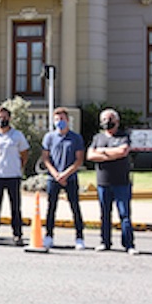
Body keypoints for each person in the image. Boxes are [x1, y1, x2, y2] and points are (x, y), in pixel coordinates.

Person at [86, 108, 138, 255]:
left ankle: (129, 244)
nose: (106, 122)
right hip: (103, 182)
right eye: (104, 119)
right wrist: (110, 154)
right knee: (104, 214)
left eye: (109, 119)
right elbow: (90, 155)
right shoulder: (98, 138)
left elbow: (123, 151)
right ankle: (105, 242)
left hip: (121, 182)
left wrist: (101, 152)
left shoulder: (123, 136)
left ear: (116, 121)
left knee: (124, 214)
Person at [0, 106, 29, 246]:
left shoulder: (17, 135)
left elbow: (24, 154)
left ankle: (17, 234)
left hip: (13, 176)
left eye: (4, 117)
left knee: (15, 206)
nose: (1, 119)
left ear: (9, 118)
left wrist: (18, 166)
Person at [41, 107, 85, 250]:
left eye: (62, 119)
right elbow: (46, 158)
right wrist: (56, 174)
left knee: (75, 207)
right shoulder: (49, 137)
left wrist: (65, 174)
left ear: (68, 120)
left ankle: (79, 237)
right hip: (53, 178)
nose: (60, 122)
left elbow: (79, 160)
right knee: (51, 208)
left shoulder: (76, 138)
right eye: (57, 119)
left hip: (70, 178)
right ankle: (48, 236)